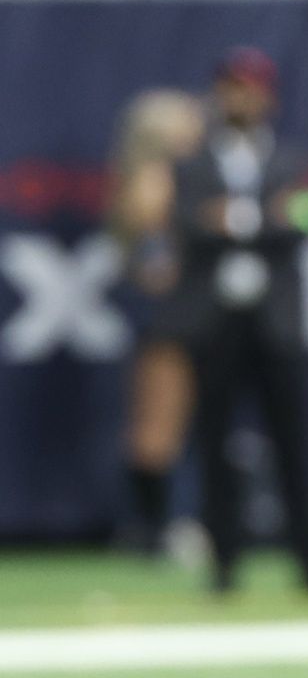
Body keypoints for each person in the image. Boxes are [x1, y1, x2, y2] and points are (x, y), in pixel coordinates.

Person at [169, 47, 308, 593]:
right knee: (214, 443)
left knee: (294, 443)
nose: (242, 98)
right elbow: (189, 226)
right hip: (216, 321)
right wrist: (265, 217)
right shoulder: (193, 162)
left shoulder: (293, 158)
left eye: (252, 87)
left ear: (270, 96)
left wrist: (235, 219)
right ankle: (223, 567)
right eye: (233, 87)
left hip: (276, 320)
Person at [107, 88, 206, 555]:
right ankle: (159, 528)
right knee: (159, 422)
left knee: (160, 420)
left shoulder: (147, 177)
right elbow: (155, 264)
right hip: (170, 315)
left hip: (168, 313)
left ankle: (153, 525)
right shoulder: (155, 180)